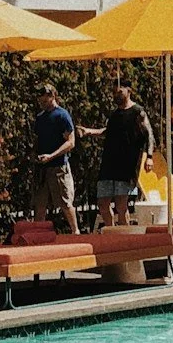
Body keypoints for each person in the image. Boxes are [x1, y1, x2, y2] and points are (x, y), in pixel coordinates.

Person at [83, 82, 153, 228]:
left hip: (126, 164)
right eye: (115, 92)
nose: (117, 94)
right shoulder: (115, 115)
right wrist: (90, 131)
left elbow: (149, 135)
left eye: (120, 91)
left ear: (129, 91)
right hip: (109, 163)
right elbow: (109, 132)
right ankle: (111, 231)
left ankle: (124, 236)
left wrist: (149, 157)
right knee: (103, 203)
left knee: (121, 205)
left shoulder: (137, 112)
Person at [30, 82, 80, 235]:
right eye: (40, 100)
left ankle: (75, 231)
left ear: (52, 96)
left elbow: (70, 142)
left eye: (44, 100)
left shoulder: (62, 115)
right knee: (40, 204)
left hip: (59, 166)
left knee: (65, 202)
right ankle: (38, 235)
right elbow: (38, 140)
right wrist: (34, 154)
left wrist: (52, 156)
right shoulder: (40, 118)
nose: (42, 103)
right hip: (43, 168)